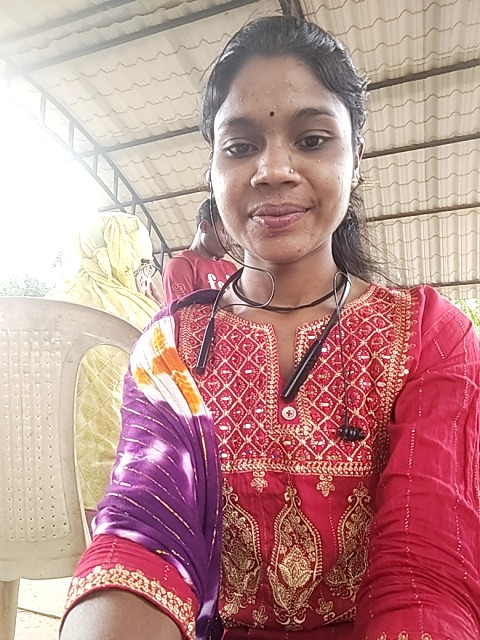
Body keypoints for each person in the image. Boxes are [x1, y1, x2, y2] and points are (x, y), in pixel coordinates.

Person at [60, 15, 480, 640]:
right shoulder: (172, 345)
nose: (273, 169)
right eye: (240, 146)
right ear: (211, 170)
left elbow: (427, 572)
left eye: (312, 139)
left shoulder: (430, 335)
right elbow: (142, 534)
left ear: (356, 159)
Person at [47, 212, 161, 527]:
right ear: (128, 260)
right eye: (144, 265)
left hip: (41, 493)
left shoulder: (52, 302)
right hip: (127, 497)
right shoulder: (145, 316)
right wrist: (163, 309)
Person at [162, 199, 237, 304]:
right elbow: (182, 312)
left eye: (233, 235)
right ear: (204, 227)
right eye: (225, 232)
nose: (231, 241)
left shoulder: (231, 269)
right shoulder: (180, 265)